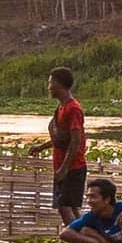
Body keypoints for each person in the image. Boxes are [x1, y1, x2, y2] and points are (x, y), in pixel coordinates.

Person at [28, 67, 87, 225]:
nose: (49, 87)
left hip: (73, 167)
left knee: (64, 206)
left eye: (51, 83)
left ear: (60, 84)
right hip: (63, 166)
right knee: (71, 208)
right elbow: (62, 139)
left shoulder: (73, 109)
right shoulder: (61, 108)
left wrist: (64, 169)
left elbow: (76, 141)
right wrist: (41, 147)